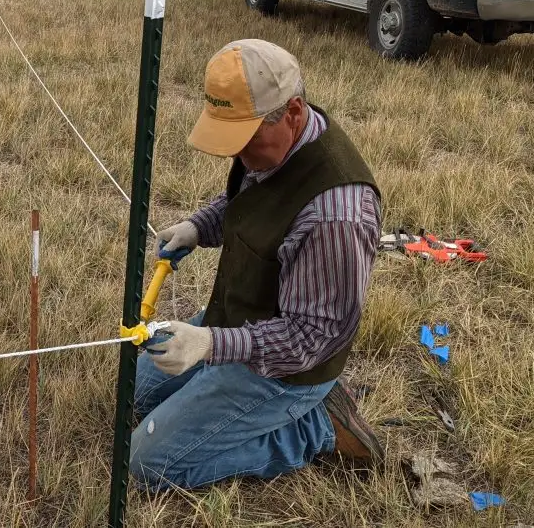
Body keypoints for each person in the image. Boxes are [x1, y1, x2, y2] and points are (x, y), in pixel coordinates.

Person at [128, 38, 384, 492]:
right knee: (135, 391)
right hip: (238, 322)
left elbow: (312, 339)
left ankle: (314, 428)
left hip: (289, 370)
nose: (237, 155)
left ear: (293, 112)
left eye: (246, 139)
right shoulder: (274, 147)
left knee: (147, 463)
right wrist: (198, 226)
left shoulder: (336, 217)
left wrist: (210, 345)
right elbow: (250, 202)